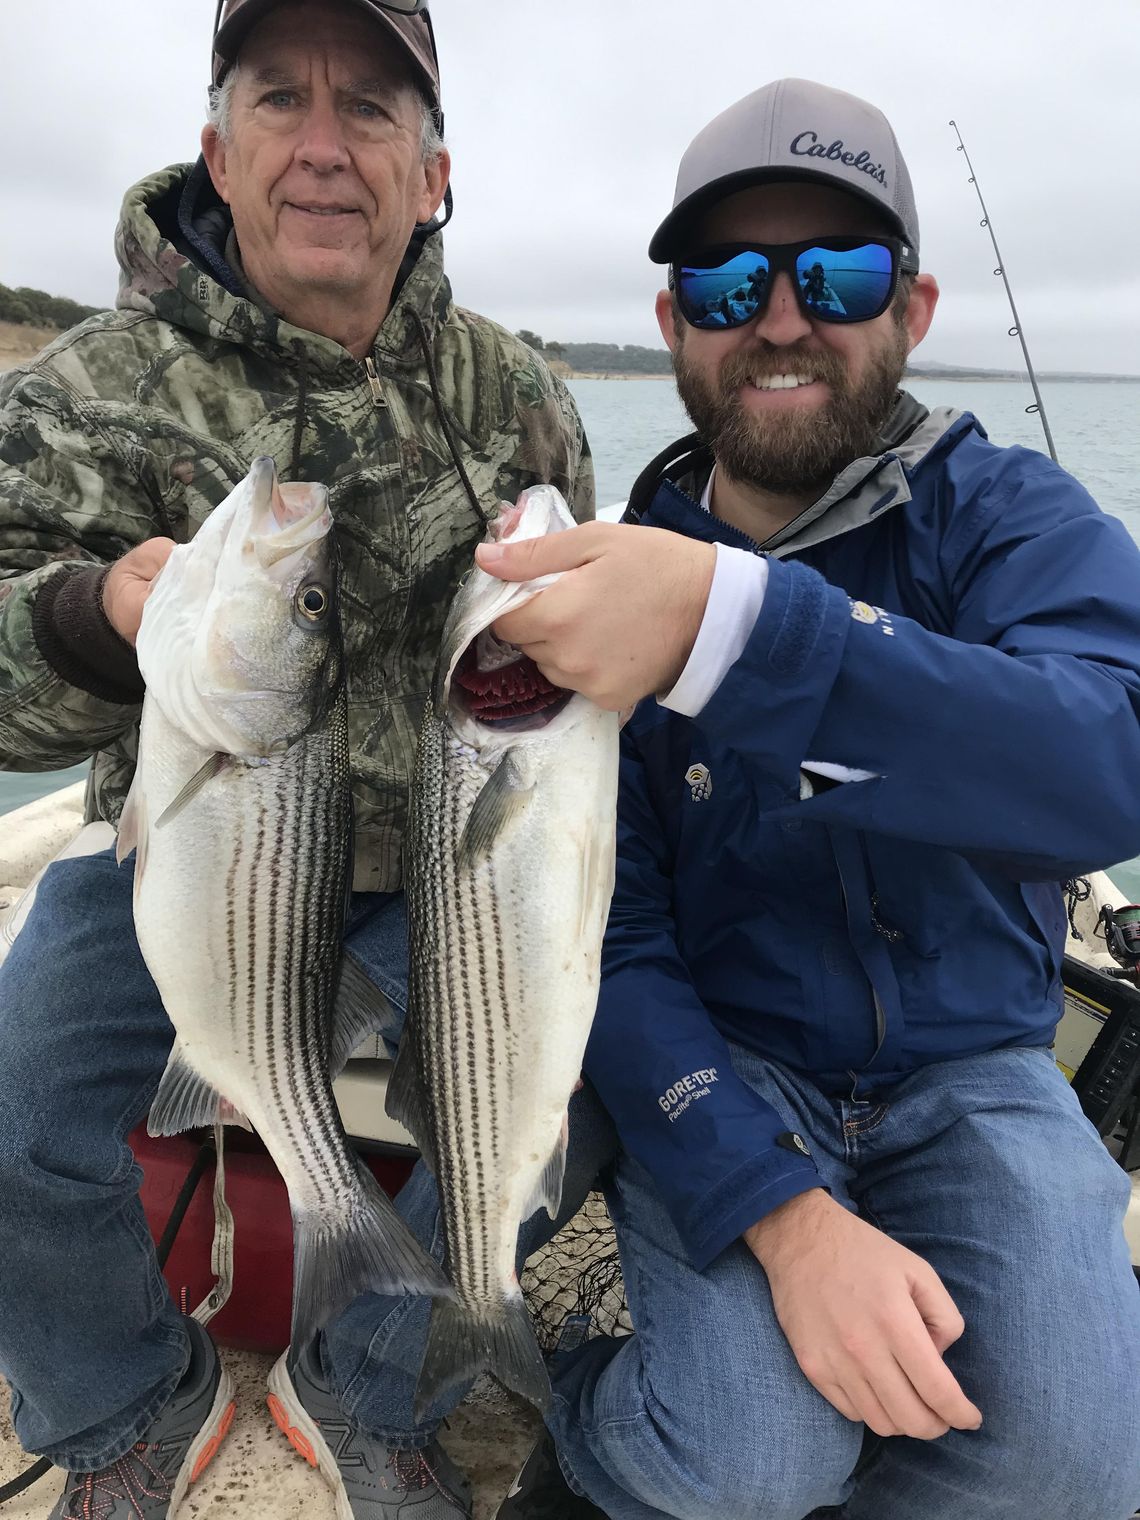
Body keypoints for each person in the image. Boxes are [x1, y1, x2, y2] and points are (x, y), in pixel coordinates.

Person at [472, 79, 1140, 1520]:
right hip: (734, 1059)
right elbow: (611, 938)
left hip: (978, 1067)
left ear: (913, 304)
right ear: (671, 325)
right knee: (747, 1457)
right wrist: (782, 1221)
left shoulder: (1007, 517)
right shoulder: (609, 583)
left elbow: (1113, 757)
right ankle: (588, 1402)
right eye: (727, 280)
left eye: (835, 273)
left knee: (1082, 1467)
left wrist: (737, 632)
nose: (781, 318)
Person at [0, 3, 598, 1518]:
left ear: (433, 171)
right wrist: (85, 619)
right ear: (218, 146)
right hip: (187, 857)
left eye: (374, 109)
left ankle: (376, 1388)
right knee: (11, 1096)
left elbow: (592, 672)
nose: (326, 145)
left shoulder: (518, 397)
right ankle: (121, 1406)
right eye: (282, 99)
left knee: (562, 1099)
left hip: (448, 871)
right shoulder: (91, 392)